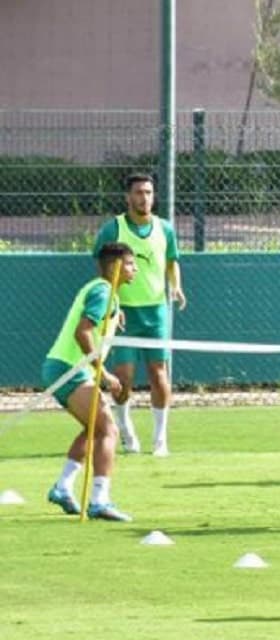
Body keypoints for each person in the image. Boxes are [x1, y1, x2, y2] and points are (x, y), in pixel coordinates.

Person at [42, 242, 138, 522]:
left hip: (63, 368)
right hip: (69, 369)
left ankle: (62, 488)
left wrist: (115, 313)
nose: (135, 269)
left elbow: (94, 321)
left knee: (94, 429)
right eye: (131, 264)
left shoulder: (105, 293)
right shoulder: (103, 290)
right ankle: (99, 501)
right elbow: (82, 333)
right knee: (108, 429)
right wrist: (104, 373)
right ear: (115, 266)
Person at [93, 172, 187, 458]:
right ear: (128, 197)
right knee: (124, 376)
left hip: (156, 312)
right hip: (124, 313)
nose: (144, 197)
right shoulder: (113, 230)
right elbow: (102, 265)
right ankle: (126, 430)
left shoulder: (165, 229)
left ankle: (160, 440)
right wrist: (113, 302)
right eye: (138, 192)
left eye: (148, 192)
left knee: (159, 375)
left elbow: (172, 262)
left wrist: (177, 287)